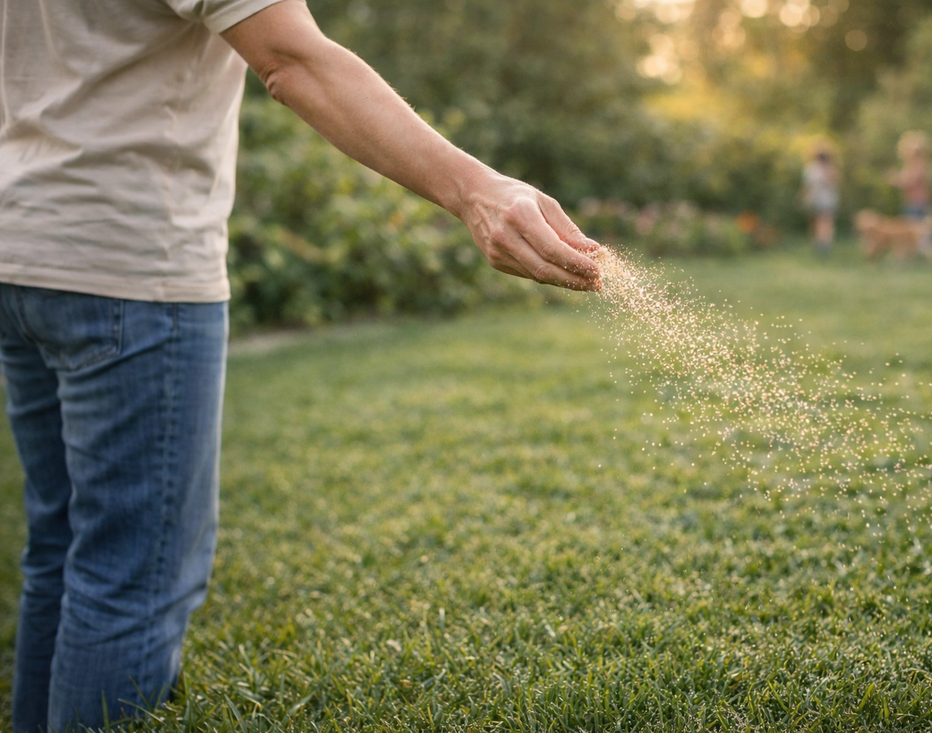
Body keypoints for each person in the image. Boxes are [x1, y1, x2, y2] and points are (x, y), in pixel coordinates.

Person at [0, 1, 602, 730]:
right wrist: (477, 189)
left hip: (21, 254)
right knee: (132, 579)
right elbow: (292, 59)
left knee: (61, 552)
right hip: (131, 266)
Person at [889, 130, 932, 256]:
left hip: (918, 203)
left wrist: (896, 180)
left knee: (918, 230)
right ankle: (917, 254)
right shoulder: (912, 165)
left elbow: (911, 181)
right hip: (913, 202)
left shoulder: (920, 164)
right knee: (916, 230)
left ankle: (928, 254)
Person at [800, 143, 841, 255]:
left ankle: (824, 245)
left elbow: (834, 181)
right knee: (819, 222)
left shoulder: (828, 168)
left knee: (824, 222)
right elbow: (808, 185)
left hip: (825, 199)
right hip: (817, 199)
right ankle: (820, 244)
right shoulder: (812, 168)